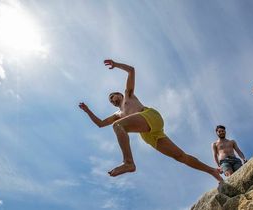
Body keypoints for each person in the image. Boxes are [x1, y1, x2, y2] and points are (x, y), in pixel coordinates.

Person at [79, 59, 223, 182]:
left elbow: (131, 71)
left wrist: (116, 64)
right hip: (147, 133)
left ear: (119, 94)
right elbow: (100, 124)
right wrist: (87, 111)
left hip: (150, 116)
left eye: (113, 97)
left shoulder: (128, 95)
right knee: (180, 156)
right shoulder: (117, 114)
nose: (112, 100)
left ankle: (128, 162)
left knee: (118, 126)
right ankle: (212, 171)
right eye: (110, 100)